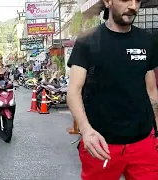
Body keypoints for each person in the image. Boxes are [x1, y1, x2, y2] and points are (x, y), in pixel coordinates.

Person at [67, 0, 158, 179]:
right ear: (108, 2)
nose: (133, 5)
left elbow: (151, 89)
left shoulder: (147, 41)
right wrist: (86, 131)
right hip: (100, 144)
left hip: (143, 143)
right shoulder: (88, 41)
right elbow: (73, 92)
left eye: (137, 0)